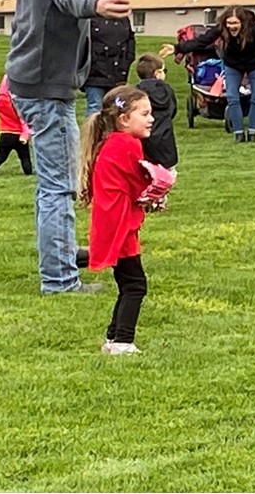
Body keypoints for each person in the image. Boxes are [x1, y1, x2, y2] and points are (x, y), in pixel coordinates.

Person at [6, 0, 132, 295]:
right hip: (46, 90)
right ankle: (59, 280)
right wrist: (96, 4)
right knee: (59, 187)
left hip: (31, 83)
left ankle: (61, 254)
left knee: (51, 184)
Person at [78, 86, 160, 355]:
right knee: (135, 284)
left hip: (115, 221)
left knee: (128, 282)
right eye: (145, 113)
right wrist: (159, 192)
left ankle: (113, 338)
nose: (151, 119)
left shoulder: (113, 142)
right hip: (120, 224)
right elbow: (141, 185)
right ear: (124, 119)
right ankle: (122, 341)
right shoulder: (127, 144)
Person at [160, 6, 255, 143]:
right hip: (233, 65)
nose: (231, 26)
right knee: (232, 98)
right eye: (229, 23)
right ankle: (238, 134)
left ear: (242, 22)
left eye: (235, 23)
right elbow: (201, 41)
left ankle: (252, 133)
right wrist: (177, 48)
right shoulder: (221, 28)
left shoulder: (253, 28)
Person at [82, 0, 136, 118]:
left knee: (116, 110)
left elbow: (130, 40)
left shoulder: (122, 19)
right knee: (95, 108)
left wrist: (127, 60)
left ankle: (113, 138)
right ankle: (93, 137)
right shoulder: (90, 18)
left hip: (118, 72)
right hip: (95, 74)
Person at [135, 54, 178, 171]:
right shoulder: (168, 91)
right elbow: (173, 110)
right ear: (157, 73)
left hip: (144, 143)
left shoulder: (136, 93)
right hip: (166, 142)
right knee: (166, 177)